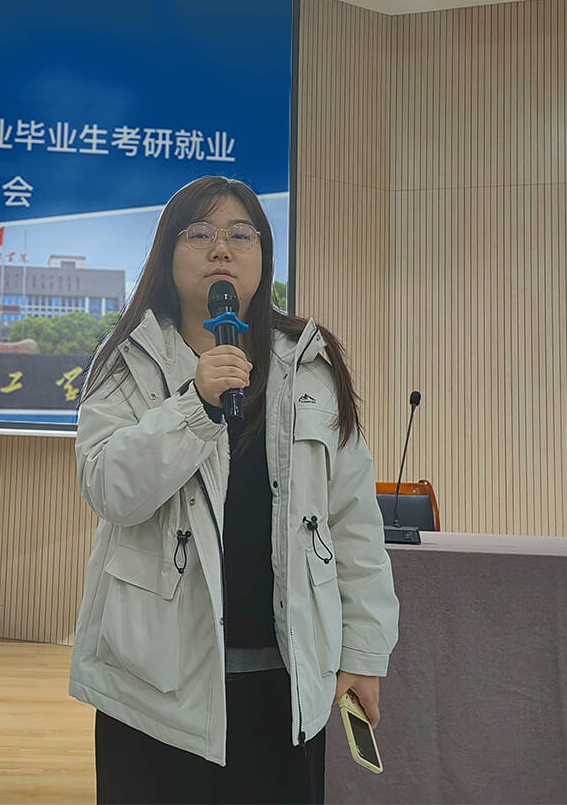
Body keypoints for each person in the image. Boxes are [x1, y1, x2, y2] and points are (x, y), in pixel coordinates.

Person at [68, 176, 399, 804]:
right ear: (168, 255)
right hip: (155, 693)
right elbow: (108, 488)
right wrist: (195, 405)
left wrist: (362, 653)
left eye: (241, 235)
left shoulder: (310, 364)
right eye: (200, 233)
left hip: (285, 682)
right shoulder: (127, 360)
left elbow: (353, 522)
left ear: (264, 259)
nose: (222, 248)